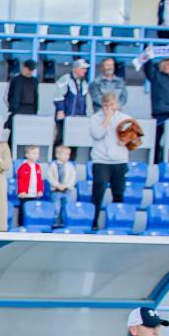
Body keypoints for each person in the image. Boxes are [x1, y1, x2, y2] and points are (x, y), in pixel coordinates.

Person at [89, 92, 131, 229]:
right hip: (101, 161)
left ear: (116, 105)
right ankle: (93, 223)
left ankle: (117, 223)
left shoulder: (126, 118)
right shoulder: (95, 118)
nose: (109, 108)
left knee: (118, 192)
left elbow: (135, 139)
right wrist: (107, 119)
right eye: (106, 105)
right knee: (98, 192)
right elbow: (97, 134)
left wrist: (126, 140)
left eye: (111, 105)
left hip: (119, 161)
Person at [53, 59, 91, 148]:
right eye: (83, 68)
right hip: (65, 117)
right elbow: (58, 96)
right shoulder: (65, 79)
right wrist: (60, 110)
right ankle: (56, 156)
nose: (85, 71)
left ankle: (72, 157)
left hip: (79, 118)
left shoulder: (84, 82)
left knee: (75, 141)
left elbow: (86, 101)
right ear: (75, 68)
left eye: (85, 69)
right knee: (60, 139)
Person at [46, 144, 77, 229]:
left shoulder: (70, 166)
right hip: (56, 191)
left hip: (67, 191)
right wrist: (58, 185)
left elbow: (73, 177)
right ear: (58, 155)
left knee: (66, 207)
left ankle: (64, 223)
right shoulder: (53, 165)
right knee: (56, 208)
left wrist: (67, 185)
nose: (67, 156)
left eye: (68, 154)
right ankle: (55, 224)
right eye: (65, 154)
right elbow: (50, 177)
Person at [5, 58, 39, 135]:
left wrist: (35, 110)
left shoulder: (34, 81)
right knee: (14, 133)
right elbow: (8, 95)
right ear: (24, 68)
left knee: (27, 132)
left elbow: (36, 96)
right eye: (29, 69)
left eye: (32, 70)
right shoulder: (15, 80)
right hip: (18, 109)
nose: (30, 71)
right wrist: (12, 108)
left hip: (31, 110)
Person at [16, 144, 45, 225]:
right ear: (27, 155)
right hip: (25, 195)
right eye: (33, 153)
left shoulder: (38, 167)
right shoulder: (23, 167)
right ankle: (21, 225)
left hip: (34, 194)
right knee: (23, 211)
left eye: (37, 153)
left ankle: (31, 224)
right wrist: (22, 191)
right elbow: (20, 180)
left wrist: (40, 190)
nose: (36, 155)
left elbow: (40, 180)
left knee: (32, 211)